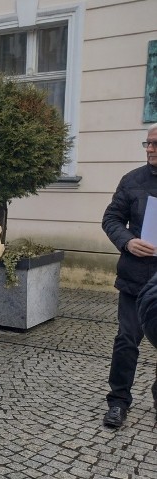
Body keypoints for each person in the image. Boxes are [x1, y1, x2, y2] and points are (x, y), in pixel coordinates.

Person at [100, 123, 157, 428]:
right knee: (126, 341)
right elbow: (111, 218)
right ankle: (118, 401)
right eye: (147, 144)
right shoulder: (133, 180)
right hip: (136, 279)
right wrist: (127, 241)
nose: (149, 149)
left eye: (155, 144)